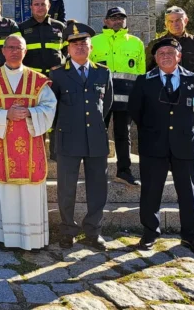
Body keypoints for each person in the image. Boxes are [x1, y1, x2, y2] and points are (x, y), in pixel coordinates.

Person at [129, 37, 194, 258]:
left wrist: (184, 129)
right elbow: (136, 112)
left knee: (188, 193)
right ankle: (149, 233)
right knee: (151, 192)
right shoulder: (144, 80)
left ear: (179, 56)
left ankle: (191, 237)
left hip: (184, 144)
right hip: (154, 145)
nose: (166, 56)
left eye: (170, 52)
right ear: (155, 58)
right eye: (161, 53)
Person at [0, 35, 56, 251]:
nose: (14, 52)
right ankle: (6, 238)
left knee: (29, 192)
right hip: (3, 146)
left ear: (25, 51)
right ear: (3, 51)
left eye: (18, 48)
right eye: (10, 48)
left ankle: (33, 238)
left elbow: (50, 107)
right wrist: (5, 116)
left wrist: (30, 112)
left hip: (31, 146)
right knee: (6, 190)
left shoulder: (38, 80)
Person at [50, 21, 113, 251]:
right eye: (74, 44)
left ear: (91, 46)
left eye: (83, 43)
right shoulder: (57, 75)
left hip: (95, 138)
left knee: (98, 188)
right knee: (66, 188)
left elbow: (106, 105)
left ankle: (93, 231)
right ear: (67, 49)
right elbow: (52, 108)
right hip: (68, 137)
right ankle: (68, 230)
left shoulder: (103, 72)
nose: (79, 47)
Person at [146, 6, 194, 186]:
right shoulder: (157, 44)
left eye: (178, 20)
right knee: (162, 132)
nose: (175, 24)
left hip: (189, 95)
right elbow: (149, 71)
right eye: (170, 21)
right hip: (164, 95)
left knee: (193, 133)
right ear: (166, 23)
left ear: (186, 20)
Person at [90, 7, 145, 186]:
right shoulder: (93, 42)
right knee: (98, 134)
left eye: (121, 18)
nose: (118, 21)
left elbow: (140, 73)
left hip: (125, 100)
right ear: (105, 21)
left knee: (123, 135)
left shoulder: (136, 43)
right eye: (113, 18)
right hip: (100, 99)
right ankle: (97, 171)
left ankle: (124, 171)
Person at [19, 0, 66, 162]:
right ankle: (37, 151)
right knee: (36, 114)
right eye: (36, 4)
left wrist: (61, 64)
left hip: (55, 79)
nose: (40, 7)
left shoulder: (60, 27)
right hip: (33, 80)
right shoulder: (22, 28)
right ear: (31, 7)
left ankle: (55, 152)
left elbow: (67, 50)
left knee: (55, 114)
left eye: (43, 4)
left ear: (49, 6)